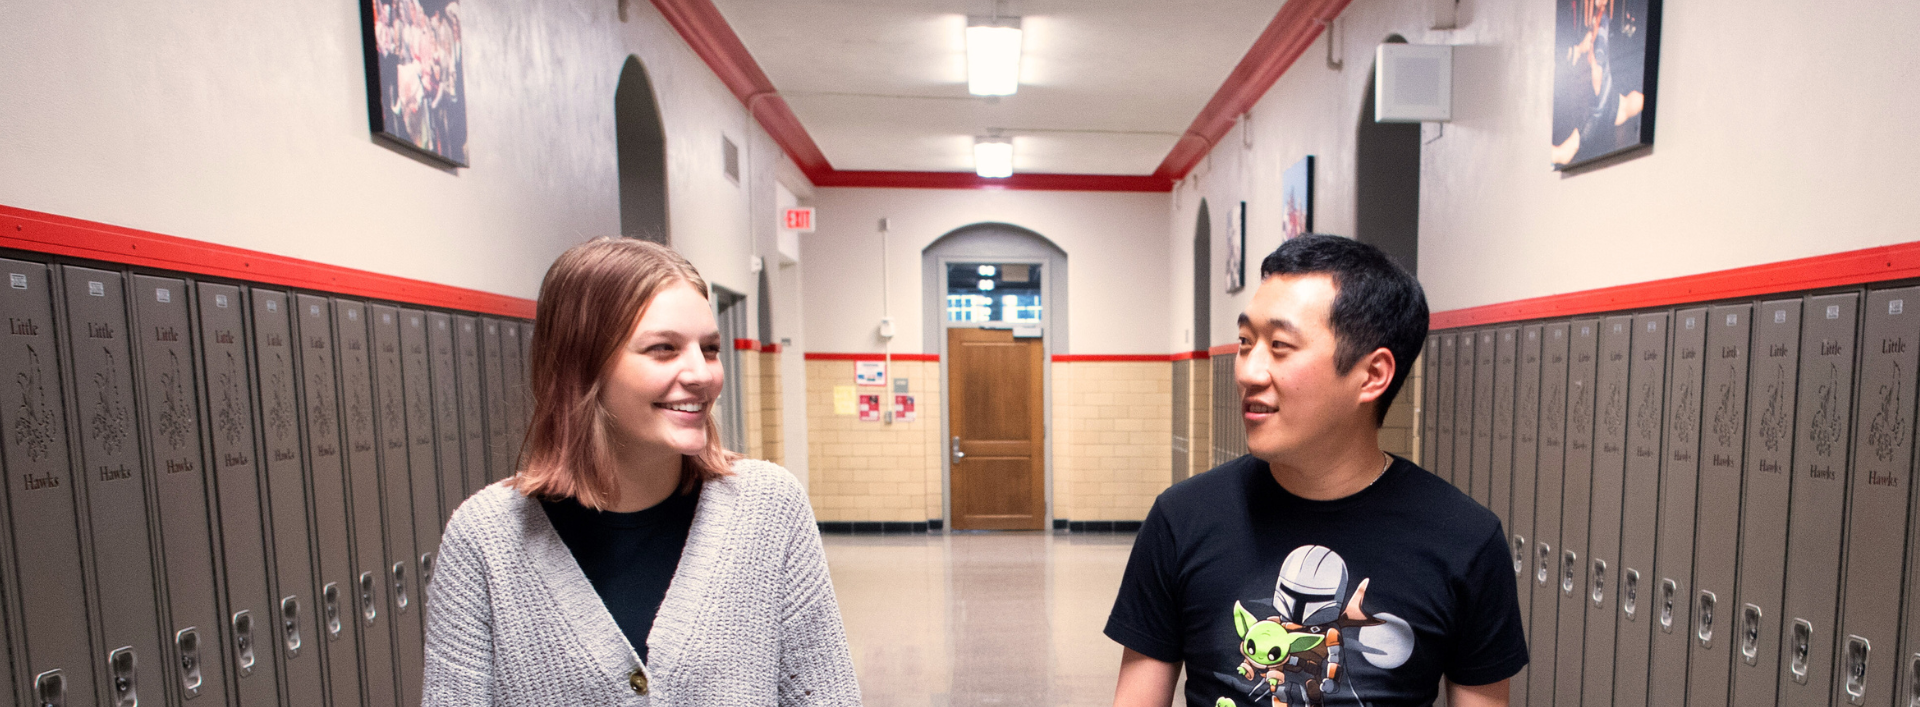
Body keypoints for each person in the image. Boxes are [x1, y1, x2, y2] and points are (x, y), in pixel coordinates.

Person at [422, 237, 860, 706]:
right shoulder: (485, 538)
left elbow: (826, 696)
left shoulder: (769, 508)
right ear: (583, 365)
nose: (701, 373)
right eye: (664, 349)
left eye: (709, 349)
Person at [1106, 235, 1526, 707]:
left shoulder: (1465, 539)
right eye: (1246, 342)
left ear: (1372, 376)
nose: (1248, 371)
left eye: (1280, 345)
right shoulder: (1182, 519)